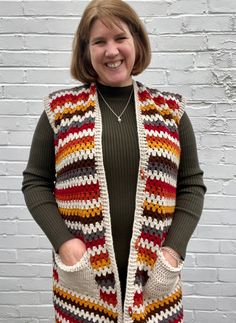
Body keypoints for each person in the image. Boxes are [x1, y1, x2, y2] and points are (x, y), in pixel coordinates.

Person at [22, 0, 206, 322]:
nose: (111, 51)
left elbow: (191, 185)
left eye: (120, 38)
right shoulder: (60, 111)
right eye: (99, 42)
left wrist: (173, 251)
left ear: (136, 42)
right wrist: (64, 243)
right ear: (86, 50)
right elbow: (35, 181)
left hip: (155, 283)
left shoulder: (170, 112)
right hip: (83, 283)